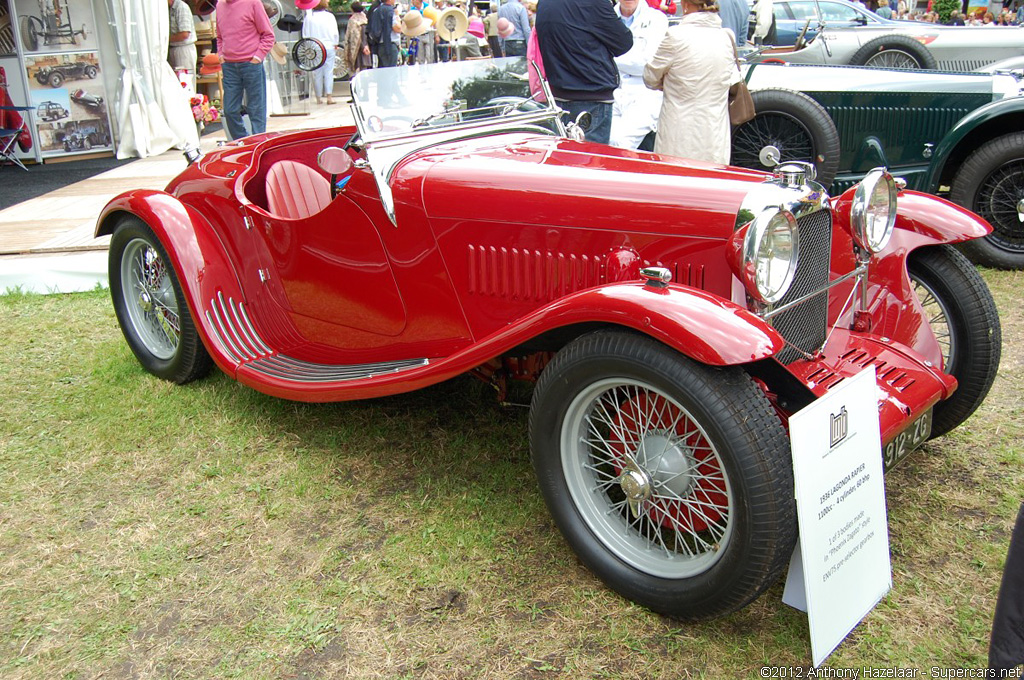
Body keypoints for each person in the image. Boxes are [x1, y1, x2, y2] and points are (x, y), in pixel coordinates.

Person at [643, 0, 741, 164]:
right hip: (715, 130)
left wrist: (667, 83)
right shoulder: (726, 37)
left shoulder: (676, 36)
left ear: (686, 5)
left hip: (679, 130)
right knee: (711, 181)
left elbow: (650, 78)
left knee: (676, 180)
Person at [535, 0, 632, 144]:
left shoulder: (545, 3)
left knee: (565, 159)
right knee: (590, 161)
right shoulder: (593, 3)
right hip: (591, 95)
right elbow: (624, 42)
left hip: (558, 93)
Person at [609, 0, 667, 149]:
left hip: (645, 95)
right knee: (606, 143)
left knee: (620, 143)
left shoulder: (657, 19)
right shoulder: (606, 17)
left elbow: (647, 64)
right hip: (612, 93)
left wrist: (609, 59)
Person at [216, 0, 276, 139]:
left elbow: (268, 34)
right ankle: (242, 142)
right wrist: (221, 56)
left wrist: (257, 57)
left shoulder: (253, 3)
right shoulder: (220, 5)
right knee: (230, 110)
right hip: (229, 65)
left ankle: (258, 142)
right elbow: (219, 36)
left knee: (256, 109)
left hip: (251, 63)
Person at [301, 0, 340, 104]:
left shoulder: (309, 18)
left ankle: (318, 97)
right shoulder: (330, 16)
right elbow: (335, 32)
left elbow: (305, 34)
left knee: (317, 72)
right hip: (328, 45)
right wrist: (335, 43)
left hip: (314, 47)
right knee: (329, 71)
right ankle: (329, 96)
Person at [168, 0, 198, 91]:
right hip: (173, 48)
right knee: (176, 86)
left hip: (183, 50)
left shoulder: (181, 7)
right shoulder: (169, 9)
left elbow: (184, 34)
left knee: (186, 85)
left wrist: (165, 39)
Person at [342, 2, 373, 76]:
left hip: (357, 47)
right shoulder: (365, 18)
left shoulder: (353, 20)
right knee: (364, 67)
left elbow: (355, 35)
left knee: (357, 68)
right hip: (366, 45)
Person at [369, 0, 402, 68]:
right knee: (391, 71)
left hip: (379, 44)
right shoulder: (391, 11)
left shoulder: (376, 10)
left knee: (383, 69)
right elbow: (397, 28)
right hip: (390, 44)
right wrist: (398, 16)